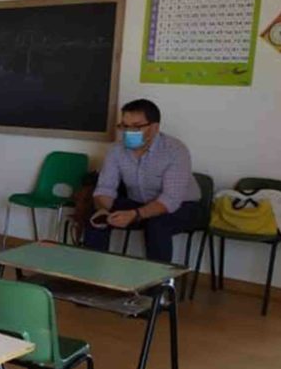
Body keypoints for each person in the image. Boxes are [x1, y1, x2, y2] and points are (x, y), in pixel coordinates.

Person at [85, 99, 201, 263]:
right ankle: (92, 272)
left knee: (157, 225)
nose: (128, 132)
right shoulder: (116, 151)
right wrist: (103, 209)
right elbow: (105, 188)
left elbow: (170, 200)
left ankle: (158, 278)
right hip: (138, 202)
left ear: (154, 127)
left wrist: (135, 214)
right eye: (125, 126)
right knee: (96, 218)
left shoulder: (174, 150)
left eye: (136, 127)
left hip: (183, 206)